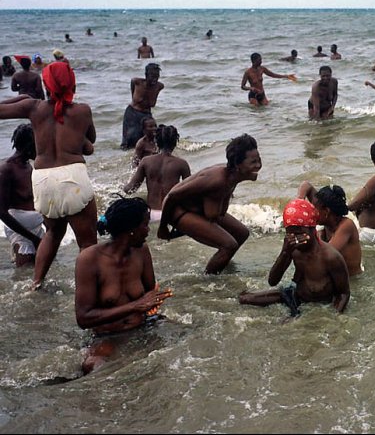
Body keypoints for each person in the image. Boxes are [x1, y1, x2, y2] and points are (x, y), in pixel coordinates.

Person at [0, 61, 98, 290]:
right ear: (72, 82)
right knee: (88, 242)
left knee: (53, 233)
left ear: (45, 83)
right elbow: (90, 140)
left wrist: (22, 99)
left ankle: (36, 283)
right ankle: (89, 288)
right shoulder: (83, 110)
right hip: (72, 175)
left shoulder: (34, 108)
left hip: (42, 178)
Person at [74, 196, 173, 375]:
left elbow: (149, 295)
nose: (148, 231)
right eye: (145, 225)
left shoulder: (142, 251)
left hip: (144, 326)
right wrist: (136, 305)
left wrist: (155, 301)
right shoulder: (89, 259)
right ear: (131, 230)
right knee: (93, 367)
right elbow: (83, 318)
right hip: (108, 336)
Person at [157, 134, 261, 274]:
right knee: (229, 245)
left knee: (242, 233)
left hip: (199, 210)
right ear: (237, 164)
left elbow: (219, 210)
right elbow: (172, 195)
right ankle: (208, 281)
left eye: (259, 160)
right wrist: (163, 227)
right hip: (179, 210)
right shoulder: (217, 179)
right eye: (253, 162)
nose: (258, 166)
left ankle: (221, 263)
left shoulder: (234, 176)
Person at [238, 199, 350, 316]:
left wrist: (334, 318)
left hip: (319, 303)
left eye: (299, 233)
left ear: (312, 229)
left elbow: (344, 294)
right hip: (295, 295)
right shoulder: (293, 249)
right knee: (244, 299)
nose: (295, 239)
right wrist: (285, 252)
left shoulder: (330, 257)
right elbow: (273, 281)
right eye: (290, 234)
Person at [123, 124, 191, 222]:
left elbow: (130, 189)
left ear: (157, 142)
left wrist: (116, 189)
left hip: (151, 214)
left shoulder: (146, 161)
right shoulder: (182, 164)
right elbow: (189, 192)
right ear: (175, 142)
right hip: (170, 213)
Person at [0, 124, 44, 267]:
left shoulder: (28, 166)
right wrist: (32, 239)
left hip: (36, 230)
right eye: (38, 144)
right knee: (24, 275)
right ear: (29, 146)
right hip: (20, 233)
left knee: (43, 271)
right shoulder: (6, 169)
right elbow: (2, 212)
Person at [297, 182, 362, 276]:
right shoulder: (327, 224)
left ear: (326, 211)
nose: (312, 212)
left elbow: (325, 256)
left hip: (352, 282)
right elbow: (307, 185)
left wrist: (311, 237)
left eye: (315, 209)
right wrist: (299, 201)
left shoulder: (347, 225)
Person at [121, 63, 163, 150]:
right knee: (130, 139)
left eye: (157, 76)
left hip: (147, 114)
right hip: (132, 113)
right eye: (152, 76)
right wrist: (134, 98)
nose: (154, 79)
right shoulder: (137, 82)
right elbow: (132, 83)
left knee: (152, 137)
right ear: (146, 75)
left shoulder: (159, 86)